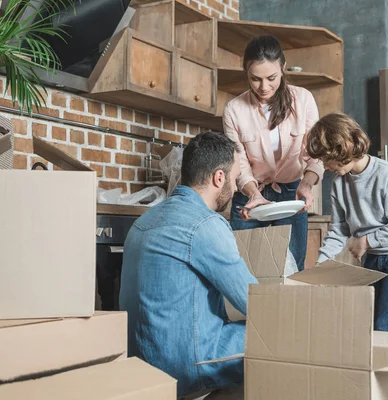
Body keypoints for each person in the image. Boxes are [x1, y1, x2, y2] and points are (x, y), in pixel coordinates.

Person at [119, 132, 257, 399]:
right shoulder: (205, 225)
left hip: (140, 366)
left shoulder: (143, 221)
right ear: (219, 178)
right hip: (184, 369)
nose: (238, 187)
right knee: (276, 334)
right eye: (234, 177)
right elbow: (253, 301)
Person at [306, 113, 388, 333]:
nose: (325, 166)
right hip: (373, 259)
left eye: (327, 159)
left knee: (387, 327)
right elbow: (338, 230)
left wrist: (366, 241)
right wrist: (321, 265)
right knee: (367, 327)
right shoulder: (339, 184)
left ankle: (387, 368)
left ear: (344, 147)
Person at [222, 35, 324, 271]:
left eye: (271, 78)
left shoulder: (304, 100)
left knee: (290, 269)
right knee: (244, 268)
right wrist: (252, 193)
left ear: (283, 68)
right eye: (255, 79)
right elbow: (239, 162)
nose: (264, 87)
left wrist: (308, 183)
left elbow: (315, 153)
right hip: (250, 194)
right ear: (246, 72)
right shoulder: (234, 109)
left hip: (292, 192)